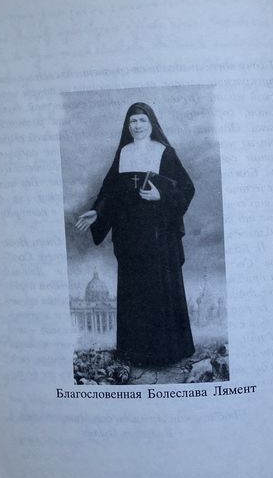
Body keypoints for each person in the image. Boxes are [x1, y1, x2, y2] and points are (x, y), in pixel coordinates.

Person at [75, 102, 196, 366]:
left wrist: (161, 195)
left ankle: (164, 354)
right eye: (132, 121)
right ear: (127, 126)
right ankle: (135, 353)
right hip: (129, 235)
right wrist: (97, 212)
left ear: (151, 123)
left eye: (141, 120)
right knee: (133, 292)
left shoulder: (164, 152)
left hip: (158, 236)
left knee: (157, 290)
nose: (136, 126)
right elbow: (109, 190)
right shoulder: (124, 153)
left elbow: (187, 188)